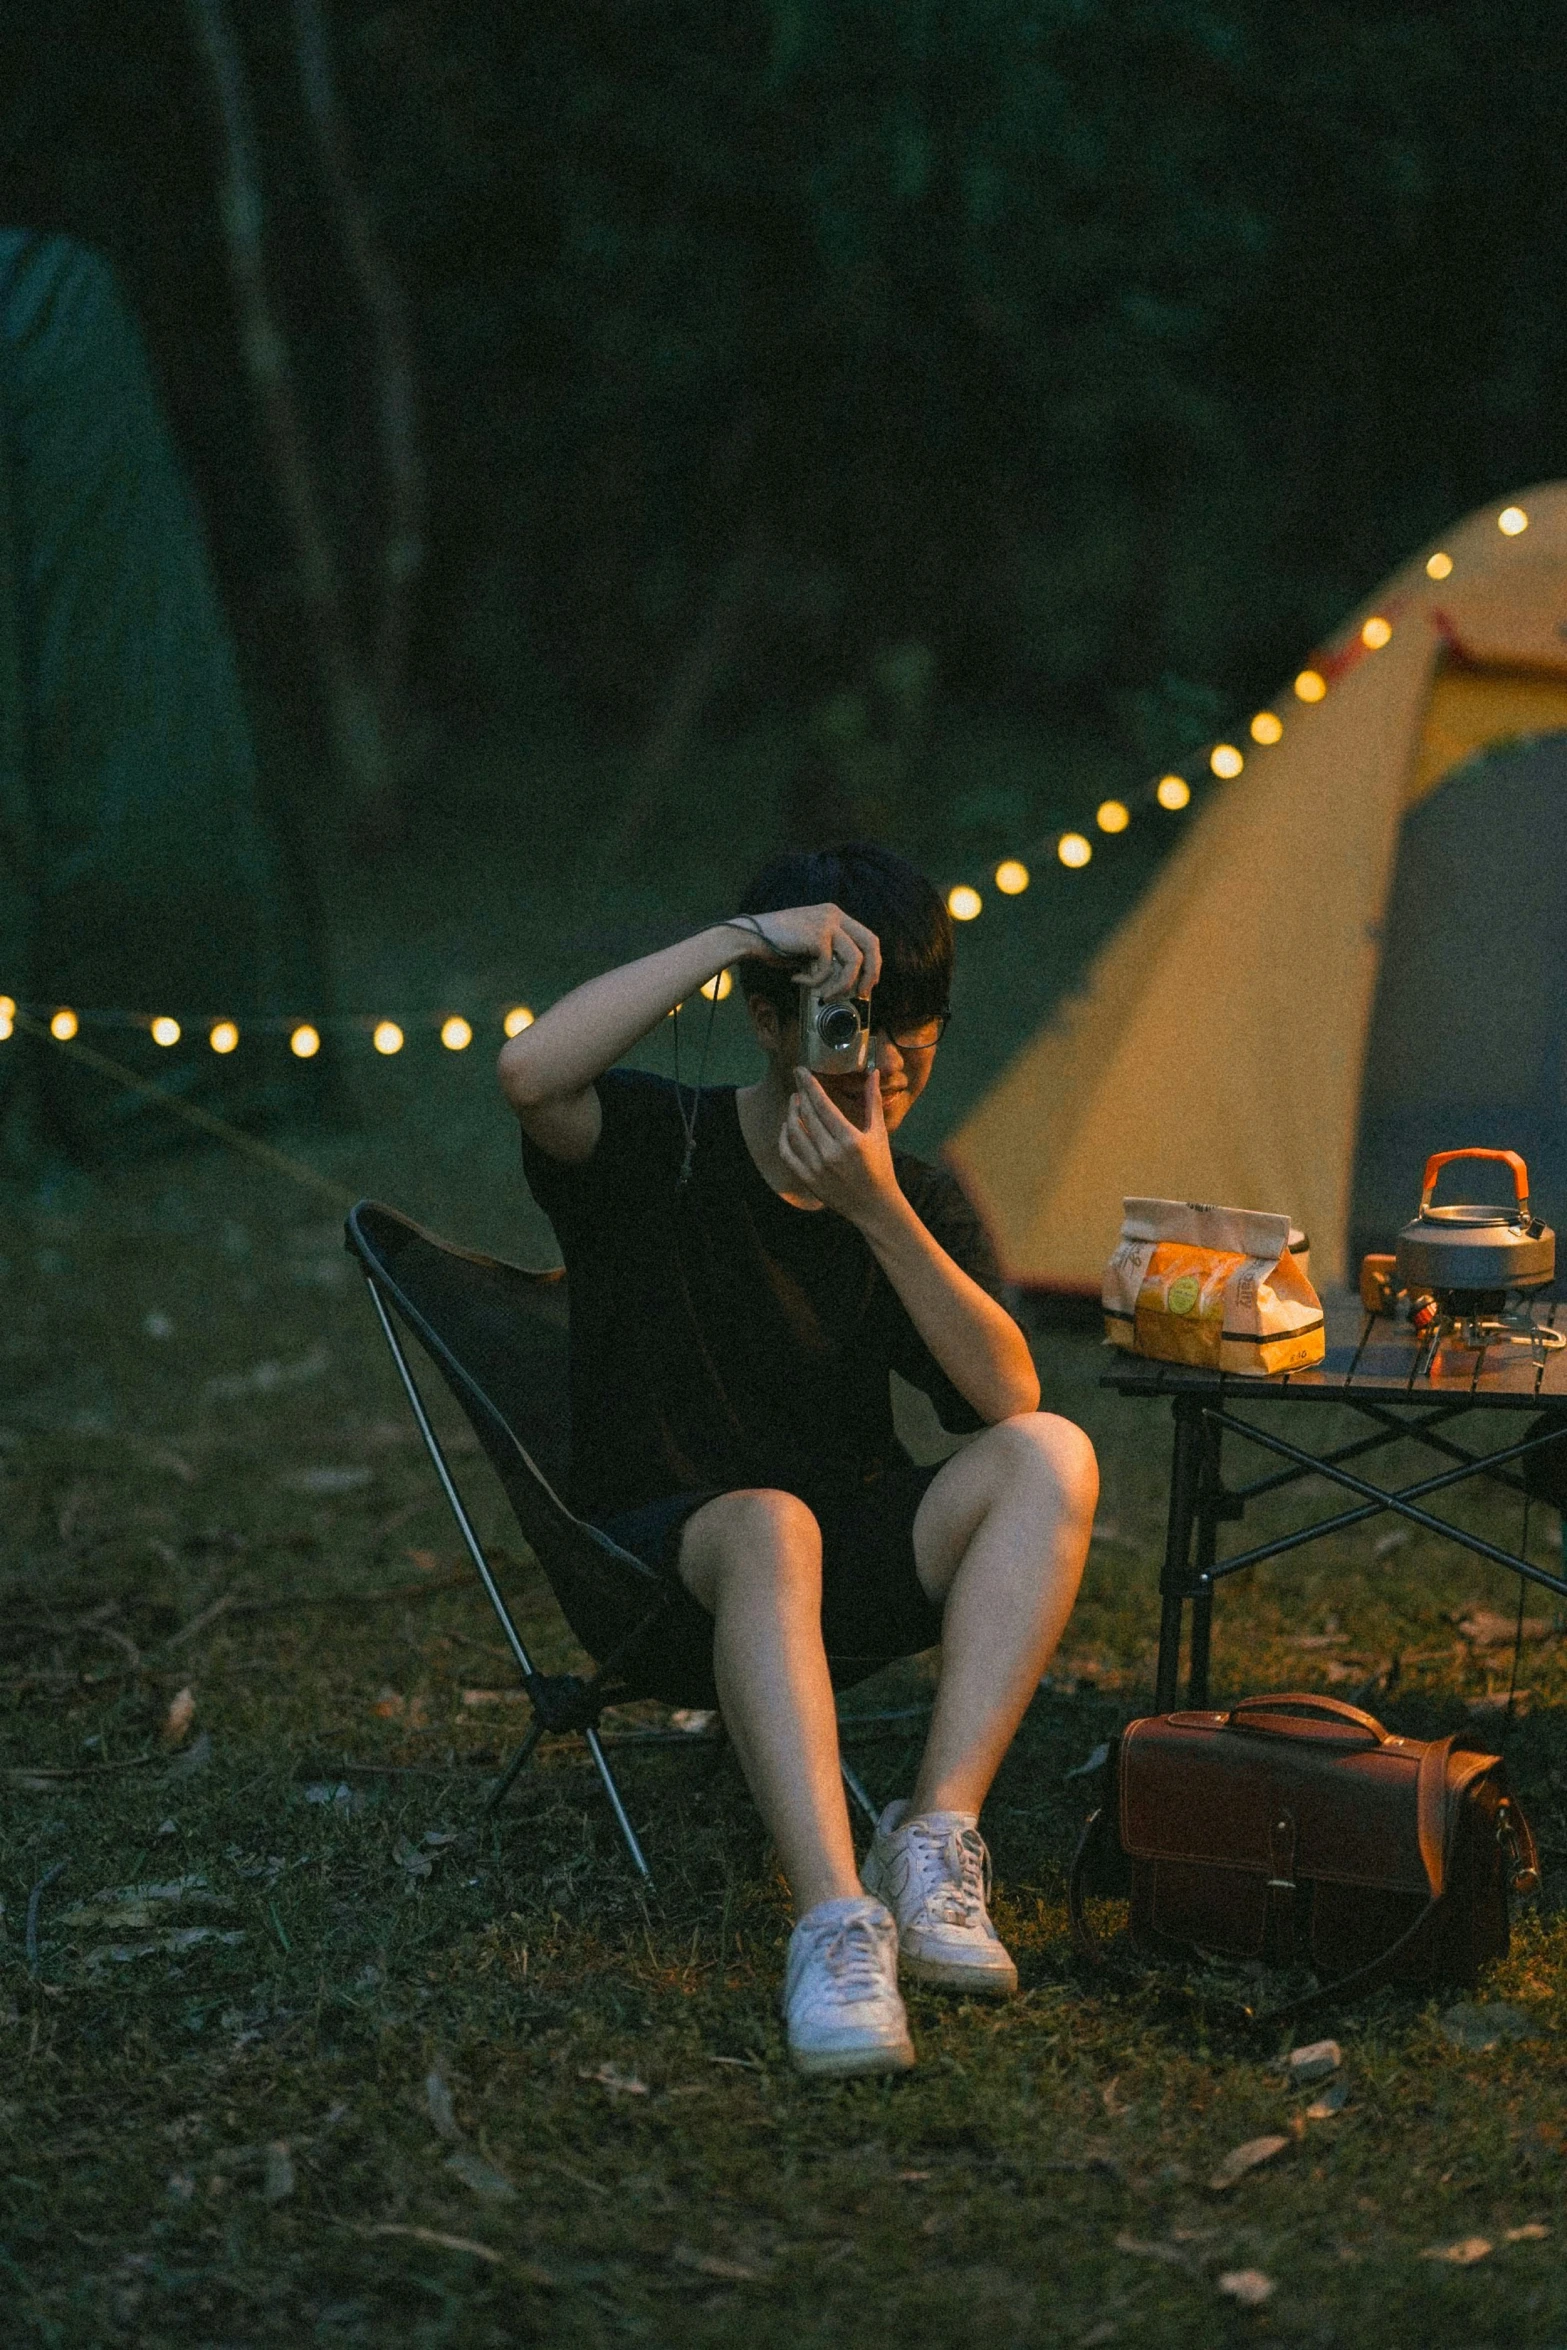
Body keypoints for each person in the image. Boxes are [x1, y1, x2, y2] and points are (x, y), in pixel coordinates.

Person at [498, 844, 1096, 2077]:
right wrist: (736, 937)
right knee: (772, 1521)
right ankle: (832, 1919)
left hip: (843, 1568)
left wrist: (877, 1209)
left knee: (1053, 1454)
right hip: (668, 1566)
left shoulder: (911, 1195)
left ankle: (932, 1836)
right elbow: (528, 1069)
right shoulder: (660, 1146)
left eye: (911, 1052)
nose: (878, 1072)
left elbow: (1007, 1398)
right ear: (772, 1020)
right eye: (847, 1030)